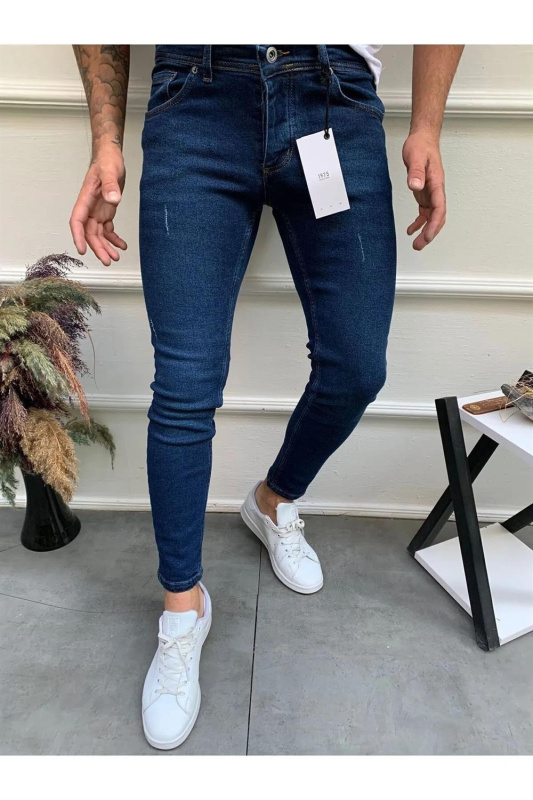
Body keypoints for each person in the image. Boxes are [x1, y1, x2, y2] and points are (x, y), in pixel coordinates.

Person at [70, 44, 464, 749]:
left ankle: (273, 499)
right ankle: (183, 610)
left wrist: (427, 125)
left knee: (355, 367)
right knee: (185, 384)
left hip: (333, 95)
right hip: (195, 94)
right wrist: (105, 139)